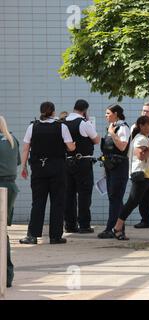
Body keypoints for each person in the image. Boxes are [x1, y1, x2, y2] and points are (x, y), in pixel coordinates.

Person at [20, 102, 75, 244]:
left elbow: (26, 148)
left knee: (38, 202)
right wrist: (73, 145)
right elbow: (70, 147)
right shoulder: (61, 127)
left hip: (39, 169)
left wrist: (24, 166)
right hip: (58, 169)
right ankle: (55, 236)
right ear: (53, 112)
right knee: (58, 202)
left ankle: (32, 235)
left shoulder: (32, 127)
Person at [63, 99, 100, 234]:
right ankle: (84, 225)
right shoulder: (84, 123)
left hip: (67, 162)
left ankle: (70, 224)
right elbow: (96, 140)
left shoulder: (63, 122)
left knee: (69, 194)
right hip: (83, 162)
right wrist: (88, 121)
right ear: (85, 111)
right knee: (84, 194)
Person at [98, 104, 130, 239]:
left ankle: (112, 228)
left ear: (116, 114)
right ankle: (118, 229)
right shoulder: (111, 127)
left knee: (115, 198)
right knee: (114, 198)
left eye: (108, 113)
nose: (106, 116)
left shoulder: (123, 128)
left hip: (119, 166)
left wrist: (112, 133)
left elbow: (122, 147)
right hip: (110, 166)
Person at [0, 115, 20, 287]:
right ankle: (7, 275)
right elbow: (17, 162)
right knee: (2, 232)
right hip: (10, 187)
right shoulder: (12, 139)